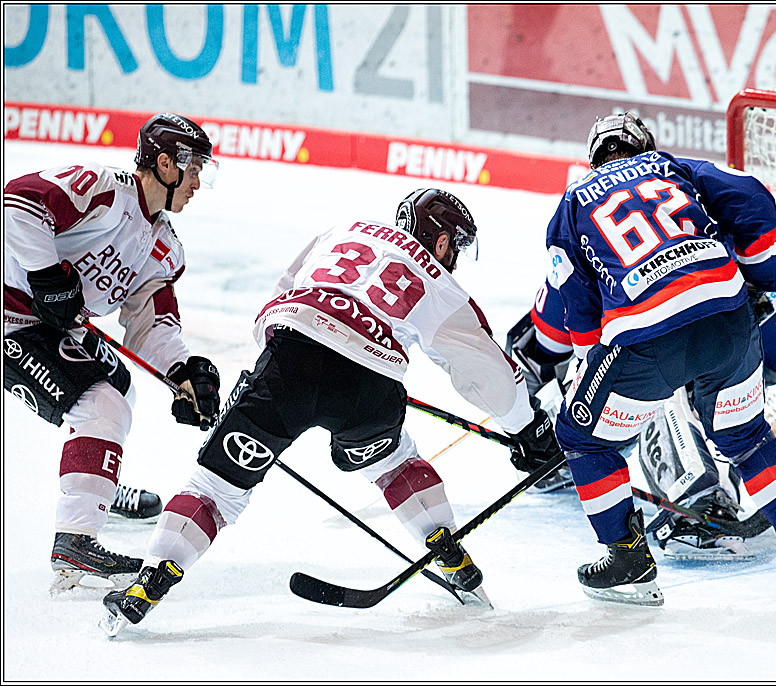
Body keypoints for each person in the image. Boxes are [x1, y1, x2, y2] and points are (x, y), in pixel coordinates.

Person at [100, 188, 562, 633]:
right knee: (396, 462)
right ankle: (447, 550)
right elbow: (484, 366)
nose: (454, 259)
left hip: (288, 366)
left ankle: (149, 584)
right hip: (369, 391)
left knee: (215, 488)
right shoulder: (437, 278)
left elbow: (278, 298)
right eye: (455, 248)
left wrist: (274, 374)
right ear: (441, 240)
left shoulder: (344, 229)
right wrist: (525, 427)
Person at [544, 111, 776, 606]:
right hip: (731, 320)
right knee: (746, 436)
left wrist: (587, 368)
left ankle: (628, 558)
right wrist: (765, 280)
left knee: (582, 439)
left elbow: (579, 303)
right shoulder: (674, 167)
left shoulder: (573, 202)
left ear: (594, 157)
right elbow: (751, 197)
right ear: (644, 145)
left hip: (648, 338)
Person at [506, 268, 776, 559]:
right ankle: (699, 496)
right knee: (669, 379)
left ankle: (702, 498)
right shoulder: (699, 228)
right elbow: (532, 349)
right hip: (638, 379)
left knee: (676, 375)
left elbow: (529, 348)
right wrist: (533, 428)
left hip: (685, 360)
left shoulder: (597, 234)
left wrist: (525, 424)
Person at [3, 113, 223, 591]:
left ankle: (97, 490)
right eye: (195, 170)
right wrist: (44, 274)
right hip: (9, 313)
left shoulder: (163, 244)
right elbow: (17, 205)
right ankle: (75, 540)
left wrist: (183, 371)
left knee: (120, 388)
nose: (199, 183)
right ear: (165, 164)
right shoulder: (103, 189)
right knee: (102, 403)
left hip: (45, 324)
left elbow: (150, 321)